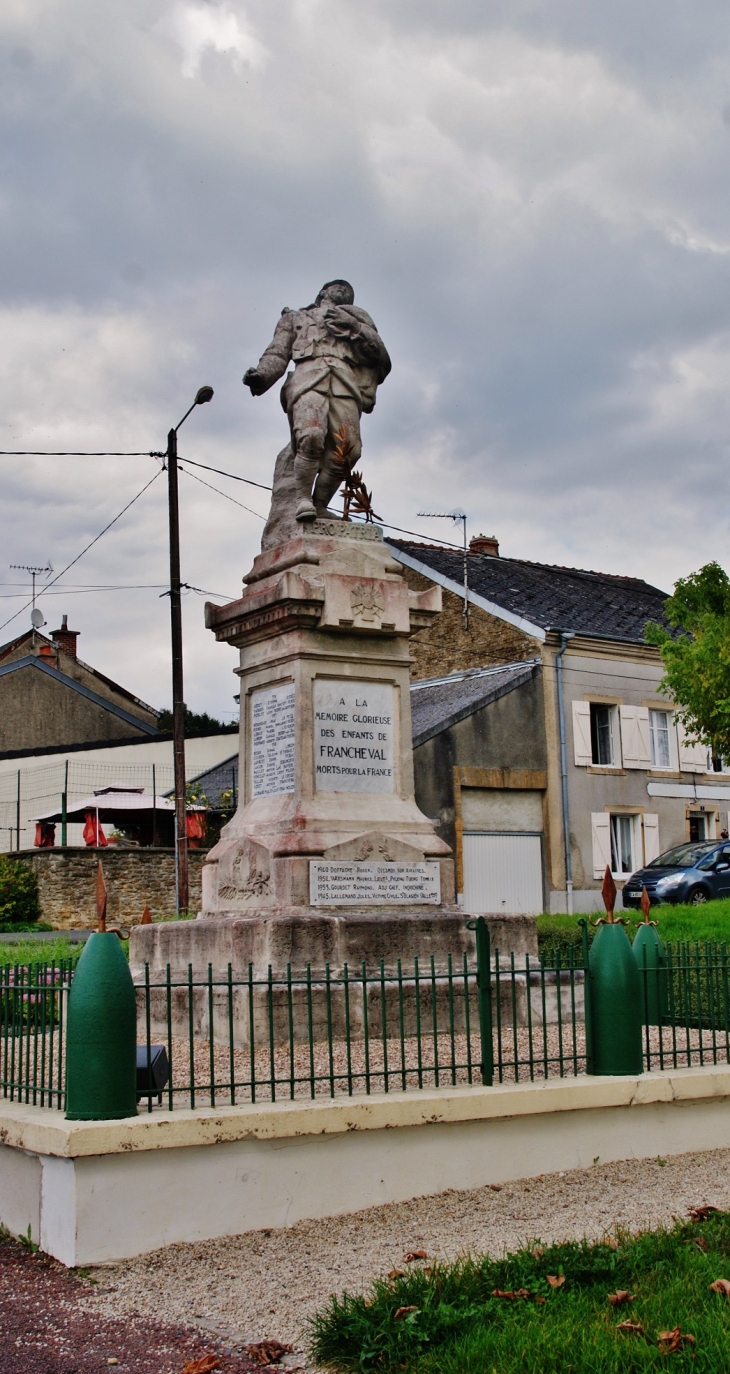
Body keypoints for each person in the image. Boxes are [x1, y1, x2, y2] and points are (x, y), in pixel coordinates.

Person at [243, 280, 391, 522]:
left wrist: (354, 327)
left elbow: (379, 356)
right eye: (338, 286)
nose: (343, 290)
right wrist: (262, 375)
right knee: (311, 436)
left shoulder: (357, 322)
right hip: (307, 377)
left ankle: (320, 504)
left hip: (344, 380)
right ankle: (302, 499)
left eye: (349, 291)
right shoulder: (296, 317)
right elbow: (278, 352)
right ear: (323, 292)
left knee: (349, 452)